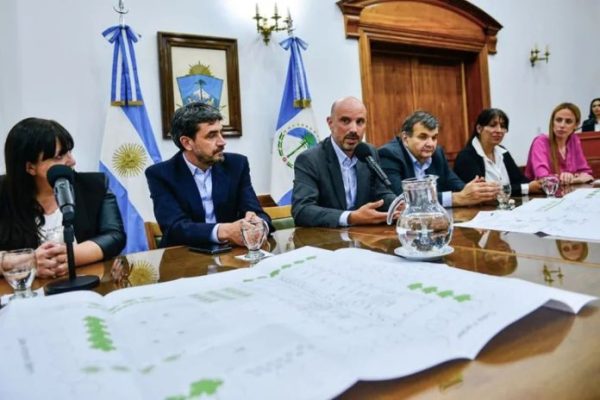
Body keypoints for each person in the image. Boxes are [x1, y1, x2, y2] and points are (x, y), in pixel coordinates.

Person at [0, 118, 126, 279]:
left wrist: (71, 256)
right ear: (30, 167)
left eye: (69, 152)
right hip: (22, 290)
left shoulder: (94, 185)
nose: (72, 161)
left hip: (85, 283)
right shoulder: (3, 193)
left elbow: (114, 236)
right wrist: (28, 262)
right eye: (59, 156)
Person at [145, 102, 272, 248]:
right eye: (211, 135)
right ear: (187, 143)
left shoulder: (237, 165)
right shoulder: (161, 174)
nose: (222, 142)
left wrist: (259, 224)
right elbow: (175, 228)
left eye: (221, 132)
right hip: (184, 255)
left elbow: (256, 212)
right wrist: (224, 231)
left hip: (232, 253)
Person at [292, 96, 396, 227]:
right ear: (330, 123)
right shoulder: (310, 159)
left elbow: (381, 193)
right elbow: (302, 210)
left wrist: (397, 205)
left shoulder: (369, 152)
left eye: (360, 122)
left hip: (364, 234)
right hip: (327, 236)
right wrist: (350, 218)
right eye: (345, 121)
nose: (354, 129)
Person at [378, 111, 498, 207]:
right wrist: (455, 198)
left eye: (434, 137)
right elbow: (402, 198)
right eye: (423, 137)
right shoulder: (389, 155)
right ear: (405, 138)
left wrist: (477, 192)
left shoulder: (437, 153)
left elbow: (453, 182)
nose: (430, 144)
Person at [454, 108, 542, 196]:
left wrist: (536, 184)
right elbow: (484, 191)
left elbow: (520, 180)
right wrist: (526, 187)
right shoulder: (466, 157)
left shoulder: (503, 152)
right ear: (479, 128)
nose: (499, 130)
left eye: (503, 126)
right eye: (493, 125)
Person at [525, 102, 594, 185]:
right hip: (543, 192)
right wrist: (574, 179)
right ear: (552, 122)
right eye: (558, 120)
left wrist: (572, 179)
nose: (562, 125)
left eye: (568, 121)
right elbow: (543, 178)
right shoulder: (540, 142)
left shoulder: (574, 140)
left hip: (569, 190)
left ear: (576, 125)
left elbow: (587, 174)